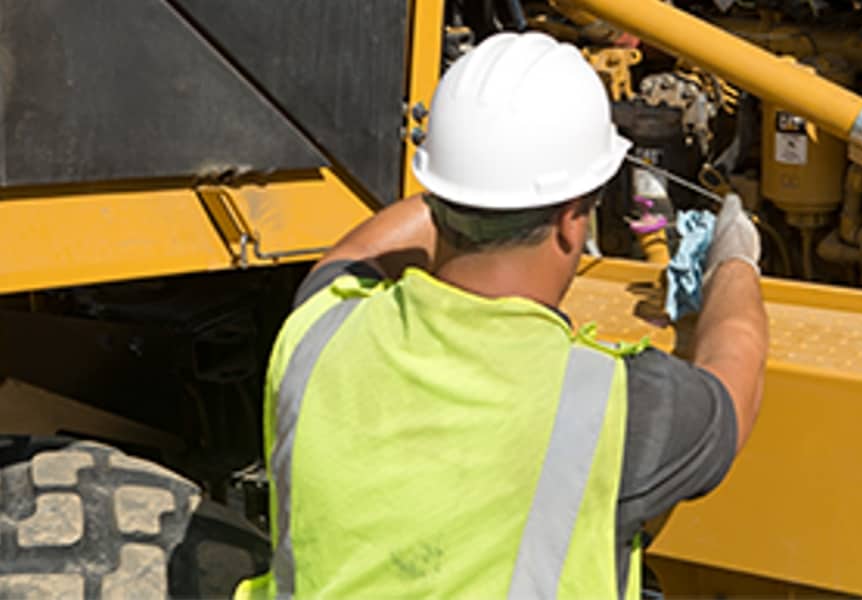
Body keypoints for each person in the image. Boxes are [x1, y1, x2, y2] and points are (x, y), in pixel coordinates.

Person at [236, 31, 767, 598]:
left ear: (438, 196)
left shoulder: (318, 333)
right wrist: (734, 257)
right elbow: (736, 362)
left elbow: (352, 254)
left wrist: (475, 183)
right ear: (571, 222)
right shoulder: (613, 408)